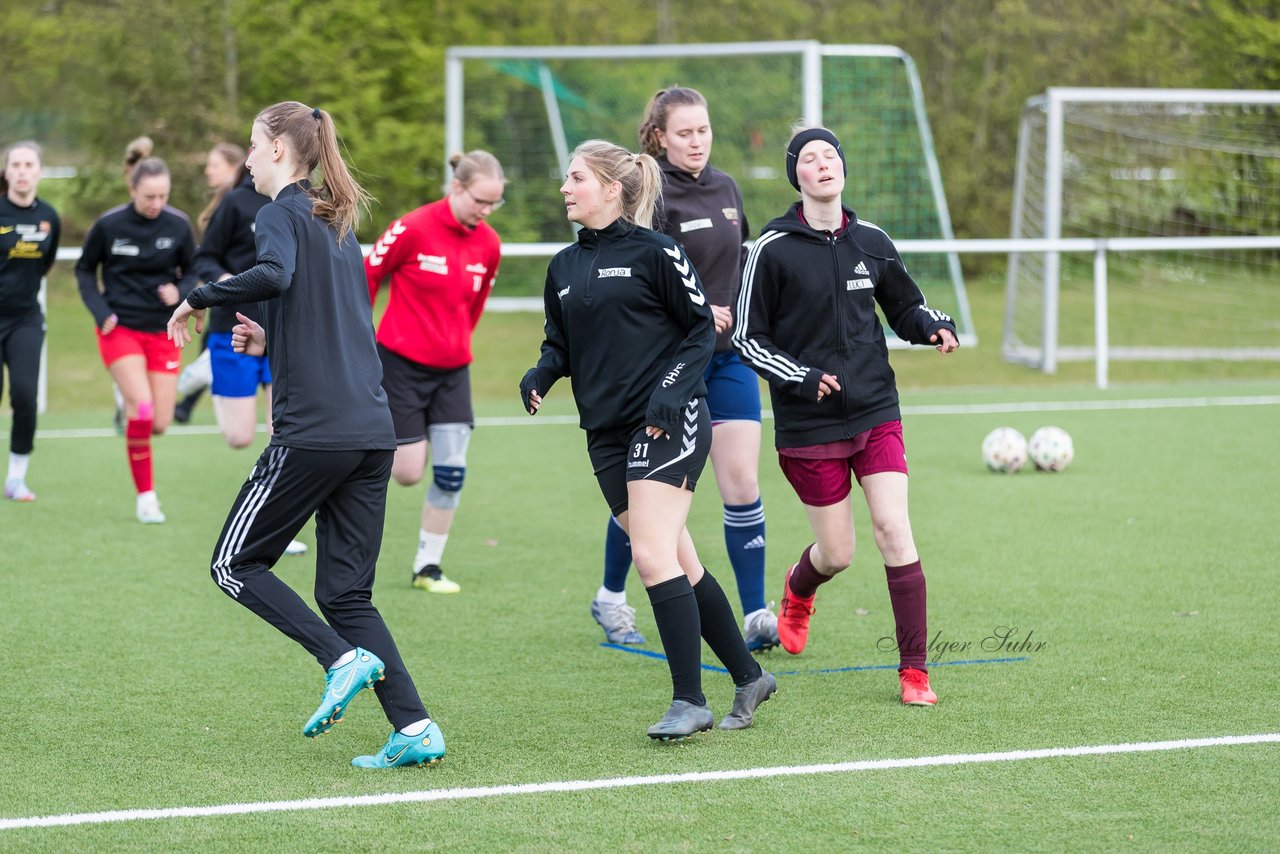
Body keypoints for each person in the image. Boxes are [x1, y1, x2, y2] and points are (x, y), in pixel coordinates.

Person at [167, 101, 444, 768]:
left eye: (253, 146)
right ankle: (415, 729)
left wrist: (198, 297)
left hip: (314, 433)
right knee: (346, 594)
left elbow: (275, 275)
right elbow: (330, 313)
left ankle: (339, 658)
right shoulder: (336, 219)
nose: (249, 158)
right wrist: (269, 331)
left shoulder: (280, 213)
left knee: (233, 564)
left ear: (280, 152)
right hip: (372, 431)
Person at [520, 139, 776, 739]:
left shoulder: (658, 251)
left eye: (576, 177)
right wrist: (541, 373)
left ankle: (690, 700)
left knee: (651, 554)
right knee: (678, 560)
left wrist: (669, 391)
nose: (565, 187)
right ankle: (748, 675)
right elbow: (560, 342)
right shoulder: (563, 266)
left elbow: (698, 330)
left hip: (670, 419)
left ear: (612, 188)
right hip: (604, 432)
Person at [732, 126, 960, 706]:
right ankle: (799, 587)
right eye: (809, 159)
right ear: (798, 177)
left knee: (893, 529)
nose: (822, 164)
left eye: (830, 155)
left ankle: (914, 673)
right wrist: (801, 377)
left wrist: (932, 325)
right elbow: (746, 338)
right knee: (838, 553)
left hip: (875, 410)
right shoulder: (769, 250)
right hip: (808, 426)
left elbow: (905, 305)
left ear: (843, 171)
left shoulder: (873, 241)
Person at [588, 87, 777, 651]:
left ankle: (756, 614)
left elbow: (739, 260)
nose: (697, 142)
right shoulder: (651, 194)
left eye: (704, 130)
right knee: (646, 492)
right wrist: (697, 311)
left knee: (742, 480)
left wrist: (743, 313)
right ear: (658, 137)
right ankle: (611, 597)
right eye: (685, 133)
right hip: (669, 367)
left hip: (730, 358)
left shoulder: (726, 187)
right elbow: (643, 273)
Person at [364, 150, 503, 594]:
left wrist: (454, 342)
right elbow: (367, 275)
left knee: (451, 473)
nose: (485, 212)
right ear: (457, 188)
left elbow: (474, 307)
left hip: (453, 372)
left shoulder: (490, 244)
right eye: (480, 201)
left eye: (493, 205)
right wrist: (358, 337)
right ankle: (337, 477)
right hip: (400, 365)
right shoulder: (413, 227)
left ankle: (427, 566)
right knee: (406, 472)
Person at [193, 150, 307, 557]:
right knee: (240, 437)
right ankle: (205, 370)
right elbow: (204, 256)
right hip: (234, 328)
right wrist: (226, 282)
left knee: (283, 429)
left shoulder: (301, 203)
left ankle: (274, 523)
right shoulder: (237, 202)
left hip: (284, 331)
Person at [76, 155, 197, 523]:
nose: (156, 204)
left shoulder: (178, 225)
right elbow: (83, 270)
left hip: (162, 331)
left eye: (162, 196)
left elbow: (193, 269)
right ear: (133, 189)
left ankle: (126, 405)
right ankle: (147, 498)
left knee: (158, 422)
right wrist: (101, 312)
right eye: (149, 196)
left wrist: (180, 291)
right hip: (120, 329)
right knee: (142, 409)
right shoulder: (109, 224)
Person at [0, 141, 61, 502]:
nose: (22, 171)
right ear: (6, 172)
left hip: (25, 318)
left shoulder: (49, 217)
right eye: (16, 165)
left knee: (25, 395)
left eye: (28, 165)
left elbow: (45, 264)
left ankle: (16, 478)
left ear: (38, 171)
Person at [174, 142, 248, 424]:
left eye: (214, 165)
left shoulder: (243, 202)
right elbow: (207, 256)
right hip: (224, 298)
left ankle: (185, 395)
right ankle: (185, 399)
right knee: (210, 346)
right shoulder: (224, 202)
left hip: (243, 301)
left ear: (233, 168)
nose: (208, 171)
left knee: (215, 351)